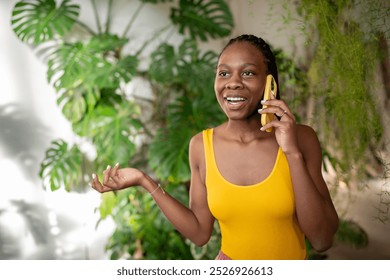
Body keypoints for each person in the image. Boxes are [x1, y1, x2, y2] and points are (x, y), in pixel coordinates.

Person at [90, 34, 339, 260]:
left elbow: (322, 239)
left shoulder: (301, 139)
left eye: (248, 73)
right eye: (223, 73)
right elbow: (200, 232)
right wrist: (144, 180)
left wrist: (292, 152)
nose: (233, 83)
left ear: (269, 83)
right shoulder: (201, 145)